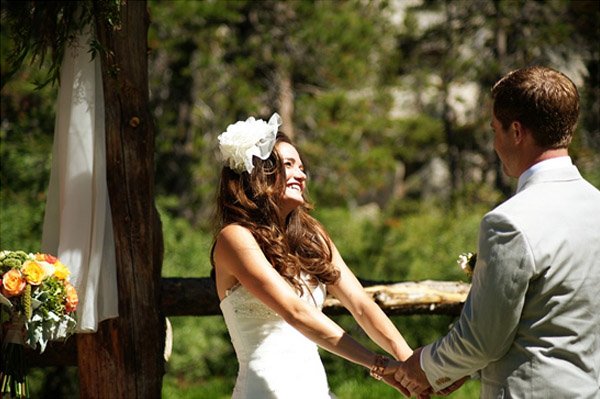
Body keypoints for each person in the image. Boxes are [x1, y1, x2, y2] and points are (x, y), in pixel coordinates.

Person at [395, 65, 600, 398]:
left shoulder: (510, 222)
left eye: (495, 130)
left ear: (516, 132)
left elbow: (482, 340)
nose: (494, 143)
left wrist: (425, 366)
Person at [211, 113, 413, 398]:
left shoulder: (312, 236)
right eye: (290, 165)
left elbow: (360, 304)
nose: (302, 175)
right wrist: (379, 364)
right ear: (260, 173)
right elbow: (296, 312)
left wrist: (409, 362)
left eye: (302, 167)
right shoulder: (235, 238)